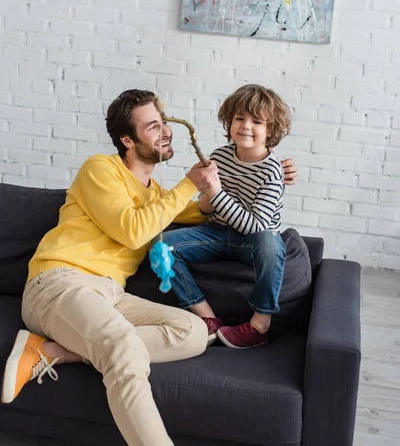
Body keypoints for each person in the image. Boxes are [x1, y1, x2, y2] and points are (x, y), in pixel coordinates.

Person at [1, 88, 297, 446]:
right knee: (123, 352)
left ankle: (51, 351)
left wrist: (265, 170)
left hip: (110, 294)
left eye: (165, 123)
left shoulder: (155, 193)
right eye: (153, 127)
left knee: (193, 332)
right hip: (60, 283)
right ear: (127, 139)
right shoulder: (100, 169)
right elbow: (133, 229)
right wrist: (189, 185)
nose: (166, 132)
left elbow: (191, 210)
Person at [164, 84, 291, 349]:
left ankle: (260, 325)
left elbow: (256, 227)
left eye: (257, 121)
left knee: (270, 242)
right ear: (229, 121)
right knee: (160, 247)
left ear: (271, 130)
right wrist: (207, 199)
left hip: (253, 241)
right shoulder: (219, 156)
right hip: (217, 233)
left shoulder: (272, 171)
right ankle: (208, 319)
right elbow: (207, 207)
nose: (246, 126)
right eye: (239, 118)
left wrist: (218, 194)